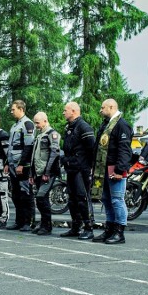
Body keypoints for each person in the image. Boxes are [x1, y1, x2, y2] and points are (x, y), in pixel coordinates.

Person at [91, 99, 133, 244]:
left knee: (117, 200)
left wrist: (120, 170)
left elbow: (125, 150)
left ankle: (119, 232)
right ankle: (109, 229)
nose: (100, 110)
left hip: (115, 169)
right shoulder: (106, 124)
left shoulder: (122, 125)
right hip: (103, 169)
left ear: (111, 107)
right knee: (107, 200)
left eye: (103, 108)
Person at [60, 102, 96, 240]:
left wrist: (88, 167)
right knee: (72, 200)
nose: (63, 113)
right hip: (71, 168)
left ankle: (89, 228)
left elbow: (91, 149)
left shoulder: (83, 127)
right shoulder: (69, 127)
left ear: (73, 111)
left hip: (81, 169)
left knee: (82, 198)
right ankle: (76, 227)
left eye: (65, 110)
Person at [4, 100, 35, 230]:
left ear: (21, 109)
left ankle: (28, 222)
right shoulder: (15, 126)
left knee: (25, 194)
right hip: (12, 165)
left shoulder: (27, 124)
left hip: (22, 166)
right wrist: (6, 163)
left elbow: (29, 146)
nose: (11, 112)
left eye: (13, 109)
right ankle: (19, 221)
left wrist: (22, 164)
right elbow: (11, 146)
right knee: (16, 194)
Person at [29, 112, 61, 236]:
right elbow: (34, 156)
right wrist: (31, 174)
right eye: (35, 122)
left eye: (37, 123)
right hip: (38, 172)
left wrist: (47, 172)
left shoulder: (52, 134)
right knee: (41, 199)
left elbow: (54, 153)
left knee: (41, 197)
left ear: (45, 121)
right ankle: (43, 223)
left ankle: (47, 225)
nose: (36, 125)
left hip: (47, 173)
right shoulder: (39, 135)